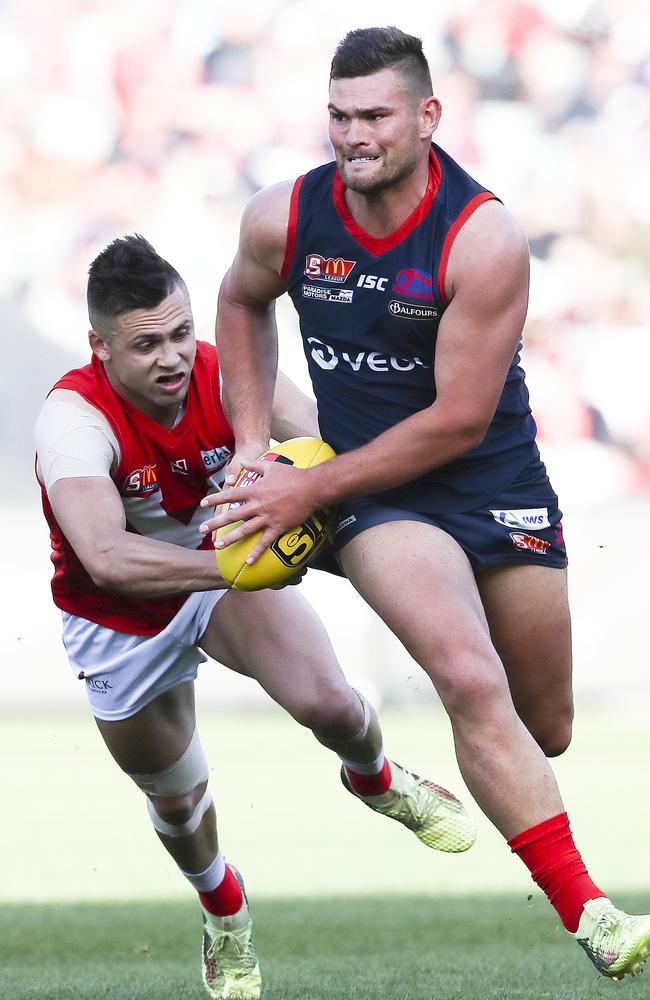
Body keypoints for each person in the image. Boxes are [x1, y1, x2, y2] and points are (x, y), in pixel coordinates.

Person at [202, 26, 650, 982]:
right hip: (374, 494)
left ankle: (426, 781)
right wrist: (253, 450)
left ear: (428, 116)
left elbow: (455, 423)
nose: (352, 136)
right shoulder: (284, 215)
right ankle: (594, 912)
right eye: (338, 115)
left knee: (546, 723)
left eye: (374, 116)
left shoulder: (481, 236)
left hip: (491, 482)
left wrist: (301, 485)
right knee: (468, 675)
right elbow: (240, 302)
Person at [34, 234, 477, 1000]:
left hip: (217, 574)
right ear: (99, 348)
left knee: (331, 703)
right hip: (119, 619)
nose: (172, 357)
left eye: (179, 333)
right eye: (146, 345)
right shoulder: (73, 420)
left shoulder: (226, 371)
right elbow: (107, 557)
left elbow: (320, 447)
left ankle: (375, 781)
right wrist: (240, 564)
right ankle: (225, 916)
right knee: (176, 801)